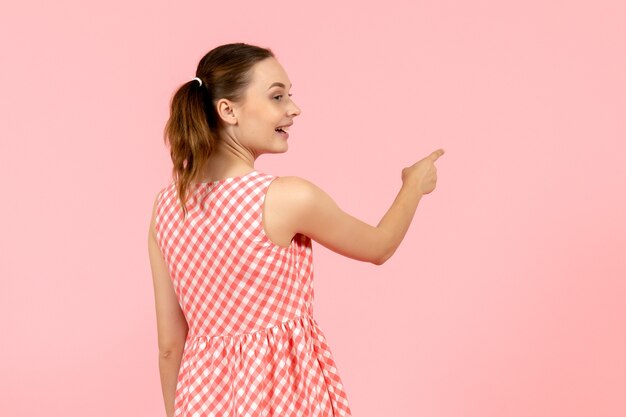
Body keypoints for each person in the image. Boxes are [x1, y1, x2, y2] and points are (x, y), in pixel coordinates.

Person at [148, 42, 444, 417]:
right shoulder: (285, 198)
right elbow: (379, 246)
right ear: (228, 110)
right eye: (277, 97)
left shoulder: (167, 208)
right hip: (285, 397)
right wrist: (413, 186)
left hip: (201, 401)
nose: (294, 109)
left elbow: (170, 346)